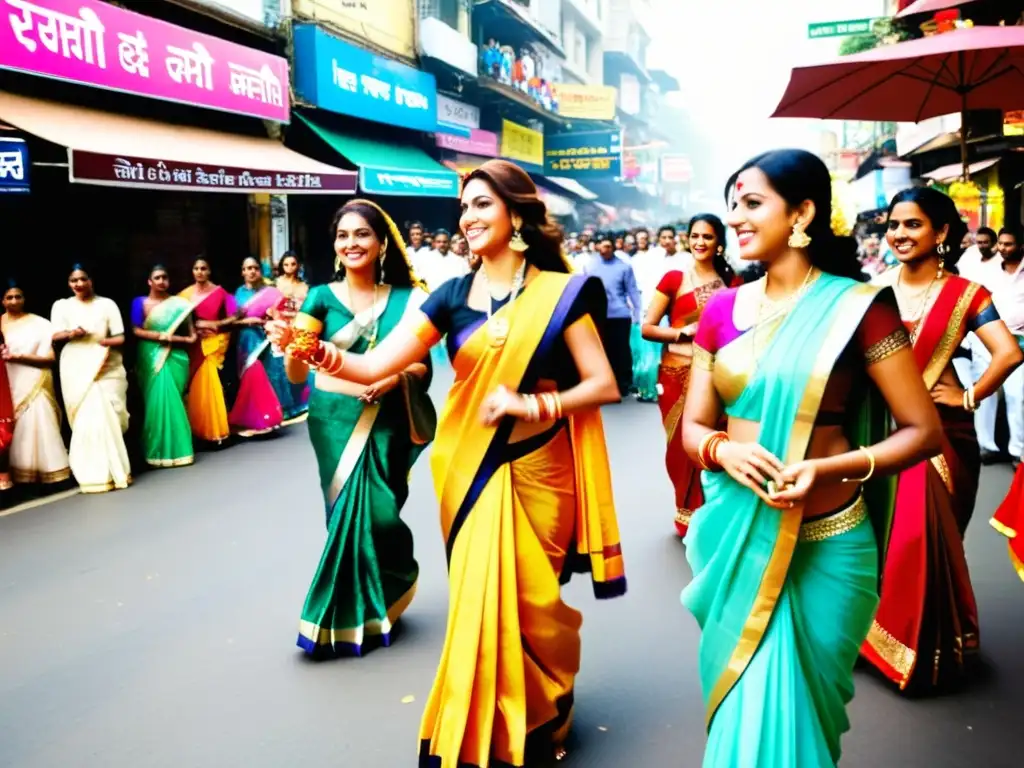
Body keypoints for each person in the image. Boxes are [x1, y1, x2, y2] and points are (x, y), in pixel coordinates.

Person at [268, 159, 625, 766]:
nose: (469, 216)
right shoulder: (451, 297)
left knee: (537, 604)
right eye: (464, 207)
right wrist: (309, 347)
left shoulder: (559, 292)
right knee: (479, 599)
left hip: (541, 467)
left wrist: (532, 402)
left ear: (517, 213)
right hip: (471, 474)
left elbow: (603, 384)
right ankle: (484, 717)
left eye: (482, 203)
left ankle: (546, 705)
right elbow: (373, 365)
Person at [681, 149, 942, 767]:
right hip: (737, 537)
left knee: (806, 720)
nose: (735, 221)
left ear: (802, 213)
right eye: (732, 206)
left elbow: (922, 430)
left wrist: (825, 469)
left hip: (828, 541)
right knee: (745, 713)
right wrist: (721, 450)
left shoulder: (859, 306)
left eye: (752, 204)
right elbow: (693, 426)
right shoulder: (719, 312)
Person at [863, 189, 1022, 693]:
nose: (899, 234)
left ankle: (922, 649)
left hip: (938, 438)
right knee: (881, 538)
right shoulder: (872, 289)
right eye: (894, 224)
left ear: (942, 233)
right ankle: (881, 639)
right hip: (878, 431)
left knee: (920, 538)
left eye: (913, 225)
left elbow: (1008, 353)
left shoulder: (966, 294)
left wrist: (970, 396)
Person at [279, 200, 433, 657]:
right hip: (332, 420)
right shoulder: (319, 298)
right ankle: (337, 616)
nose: (352, 244)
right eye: (343, 236)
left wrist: (390, 379)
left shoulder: (408, 300)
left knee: (383, 513)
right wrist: (292, 346)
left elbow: (423, 369)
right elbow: (293, 375)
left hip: (386, 417)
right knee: (345, 514)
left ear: (382, 243)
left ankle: (388, 592)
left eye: (362, 234)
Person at [643, 213, 736, 537]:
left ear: (719, 242)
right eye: (695, 236)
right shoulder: (673, 278)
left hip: (718, 375)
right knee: (681, 447)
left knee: (714, 441)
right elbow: (647, 328)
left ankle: (714, 510)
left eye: (707, 237)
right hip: (677, 372)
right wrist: (684, 333)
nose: (700, 242)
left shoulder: (732, 281)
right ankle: (686, 513)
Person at [51, 265, 133, 493]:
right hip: (76, 366)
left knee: (109, 416)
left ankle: (117, 471)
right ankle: (92, 475)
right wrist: (72, 334)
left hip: (106, 365)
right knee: (86, 421)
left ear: (91, 280)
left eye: (82, 279)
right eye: (73, 281)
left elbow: (120, 337)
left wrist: (102, 344)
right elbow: (55, 335)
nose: (78, 284)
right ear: (69, 284)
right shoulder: (62, 306)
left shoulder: (107, 305)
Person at [1, 282, 69, 489]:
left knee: (38, 421)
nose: (14, 301)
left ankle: (50, 474)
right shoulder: (0, 324)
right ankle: (17, 475)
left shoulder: (40, 324)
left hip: (35, 379)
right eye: (9, 297)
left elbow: (50, 358)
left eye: (18, 296)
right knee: (10, 427)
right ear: (2, 301)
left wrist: (19, 357)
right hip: (7, 384)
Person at [131, 265, 197, 468]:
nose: (161, 281)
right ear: (149, 282)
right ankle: (156, 452)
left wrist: (173, 339)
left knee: (174, 401)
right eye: (157, 278)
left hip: (175, 355)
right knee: (155, 405)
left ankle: (181, 451)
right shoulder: (140, 302)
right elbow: (135, 330)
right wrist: (160, 337)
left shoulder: (180, 304)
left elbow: (192, 336)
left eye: (164, 277)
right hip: (150, 355)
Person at [180, 258, 236, 445]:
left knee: (209, 381)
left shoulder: (219, 293)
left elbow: (235, 314)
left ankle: (215, 429)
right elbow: (178, 320)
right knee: (195, 385)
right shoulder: (184, 295)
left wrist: (216, 323)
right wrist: (195, 327)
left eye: (203, 268)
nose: (199, 272)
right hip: (194, 344)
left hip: (213, 343)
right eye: (196, 268)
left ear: (209, 271)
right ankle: (198, 429)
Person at [228, 257, 284, 437]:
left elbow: (282, 315)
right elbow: (232, 320)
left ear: (260, 271)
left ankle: (265, 419)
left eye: (255, 268)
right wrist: (248, 321)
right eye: (247, 268)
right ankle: (249, 420)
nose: (251, 271)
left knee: (261, 376)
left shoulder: (271, 293)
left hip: (264, 340)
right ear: (242, 272)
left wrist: (269, 323)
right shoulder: (238, 294)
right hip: (245, 340)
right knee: (246, 378)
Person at [582, 233, 642, 397]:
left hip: (620, 315)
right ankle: (604, 384)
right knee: (601, 351)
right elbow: (584, 292)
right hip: (597, 316)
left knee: (621, 350)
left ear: (614, 247)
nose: (604, 249)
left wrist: (638, 313)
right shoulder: (590, 266)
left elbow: (632, 291)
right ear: (597, 246)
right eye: (602, 246)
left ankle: (624, 383)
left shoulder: (624, 267)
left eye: (608, 246)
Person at [271, 251, 311, 422]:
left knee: (298, 364)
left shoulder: (304, 287)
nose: (289, 268)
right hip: (279, 329)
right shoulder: (275, 285)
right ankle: (284, 405)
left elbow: (308, 309)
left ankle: (300, 403)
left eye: (293, 264)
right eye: (286, 265)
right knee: (280, 367)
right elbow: (270, 307)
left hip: (298, 327)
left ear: (298, 266)